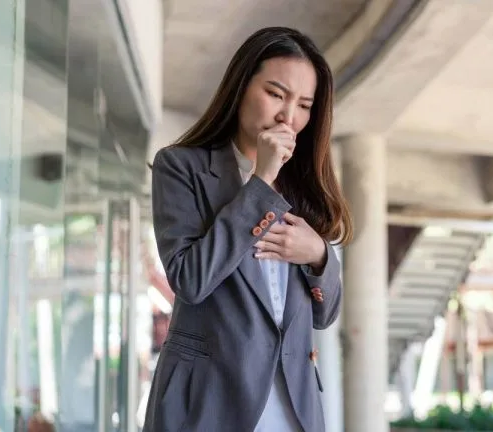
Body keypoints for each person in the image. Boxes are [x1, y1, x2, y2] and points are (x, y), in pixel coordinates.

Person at [143, 26, 353, 432]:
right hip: (207, 403)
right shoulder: (180, 167)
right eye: (276, 94)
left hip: (293, 407)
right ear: (241, 87)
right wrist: (260, 182)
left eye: (304, 105)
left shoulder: (305, 186)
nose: (288, 116)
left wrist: (319, 256)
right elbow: (190, 279)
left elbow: (326, 315)